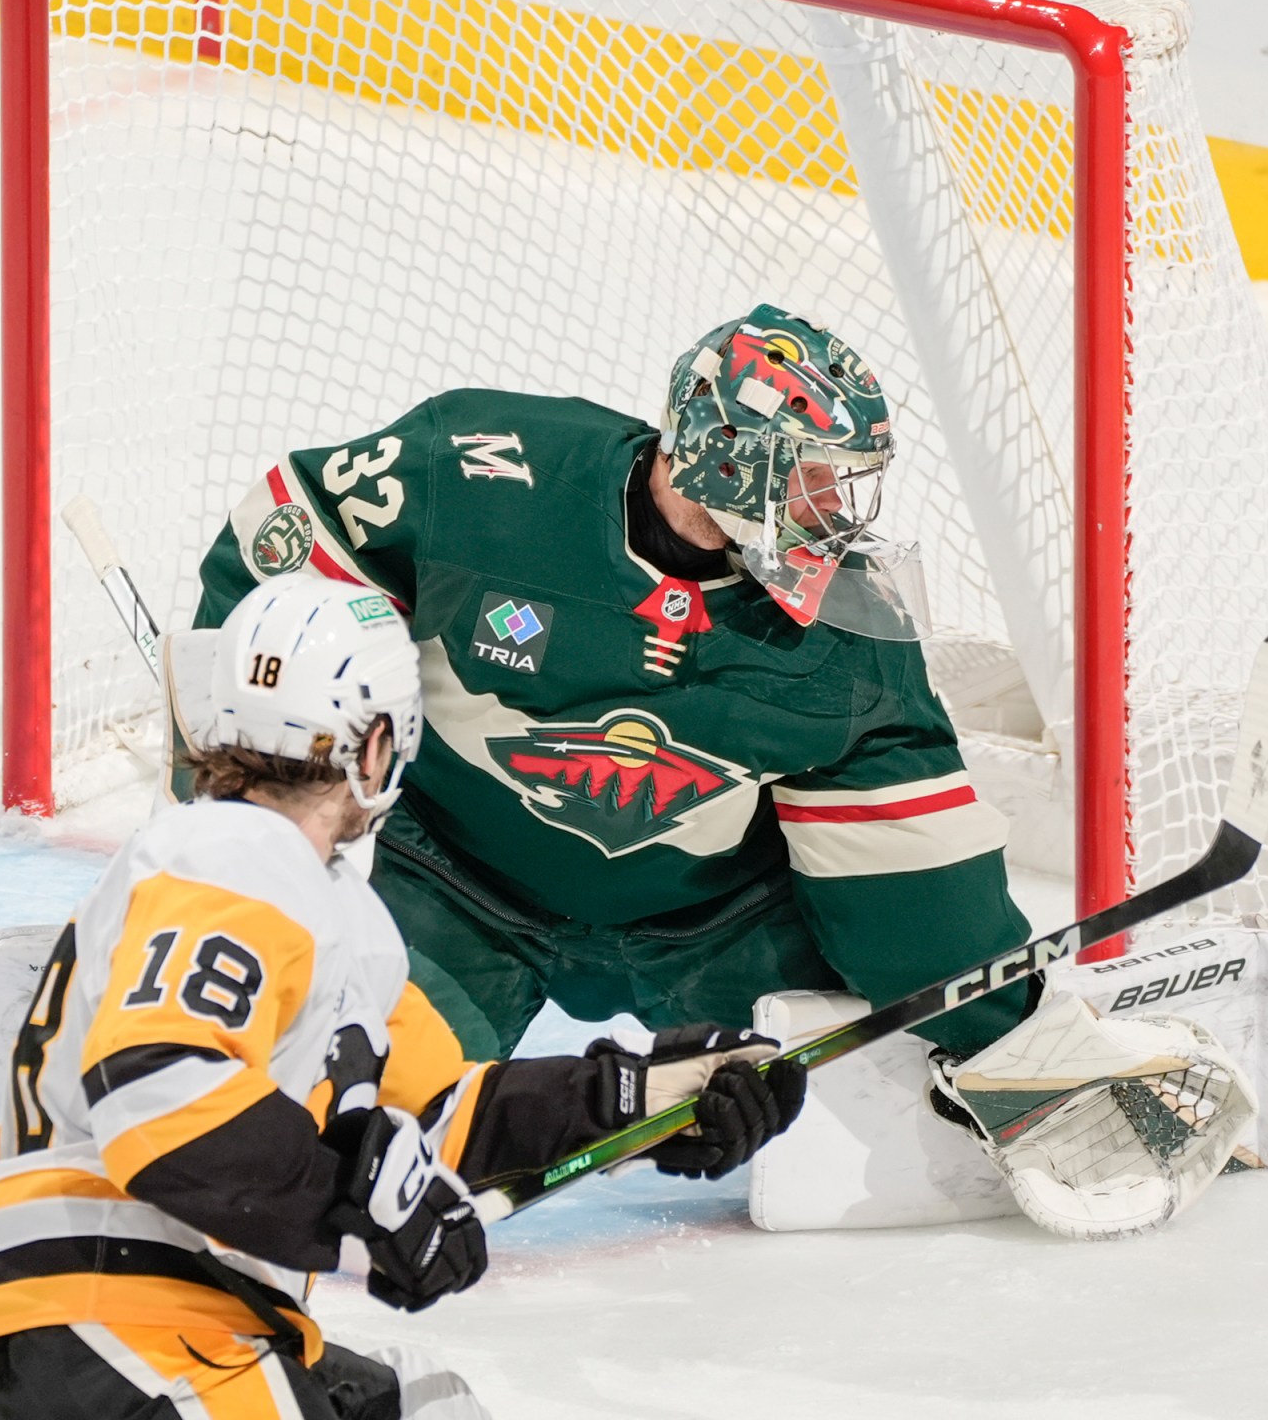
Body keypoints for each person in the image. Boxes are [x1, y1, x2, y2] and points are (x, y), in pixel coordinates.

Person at [0, 573, 805, 1419]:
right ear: (380, 744)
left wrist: (642, 1100)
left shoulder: (329, 913)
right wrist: (362, 1205)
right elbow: (157, 1090)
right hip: (117, 1322)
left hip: (156, 1323)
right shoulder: (230, 856)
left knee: (430, 1406)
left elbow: (441, 1118)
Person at [189, 305, 1033, 1065]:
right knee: (335, 1102)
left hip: (713, 934)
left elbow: (917, 878)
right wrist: (246, 805)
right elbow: (282, 555)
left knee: (844, 1085)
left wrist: (1012, 1039)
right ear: (730, 457)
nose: (834, 509)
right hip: (451, 884)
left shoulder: (845, 627)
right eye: (811, 473)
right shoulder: (480, 472)